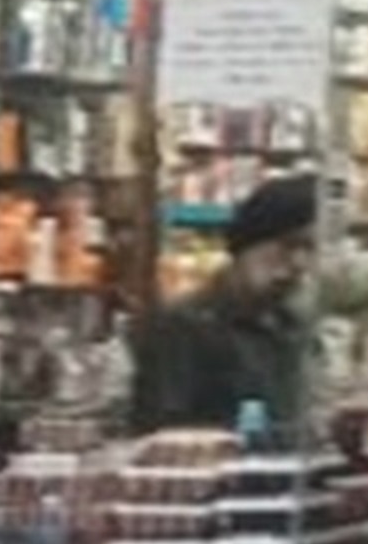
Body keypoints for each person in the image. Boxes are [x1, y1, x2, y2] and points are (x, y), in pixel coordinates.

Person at [127, 174, 320, 441]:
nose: (299, 263)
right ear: (249, 242)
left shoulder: (291, 327)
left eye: (311, 250)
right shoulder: (184, 326)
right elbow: (158, 436)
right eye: (289, 245)